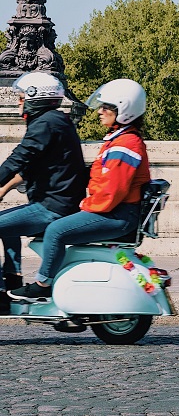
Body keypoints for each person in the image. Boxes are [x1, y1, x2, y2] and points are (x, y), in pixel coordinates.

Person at [8, 79, 152, 302]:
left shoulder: (125, 145)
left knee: (55, 230)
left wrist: (83, 208)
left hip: (117, 215)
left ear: (124, 110)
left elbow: (111, 193)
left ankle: (43, 284)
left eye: (107, 107)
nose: (100, 111)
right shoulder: (119, 140)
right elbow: (97, 177)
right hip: (116, 212)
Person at [0, 72, 87, 309]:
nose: (18, 103)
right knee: (6, 225)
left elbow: (18, 158)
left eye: (20, 98)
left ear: (34, 98)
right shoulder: (54, 120)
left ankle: (3, 290)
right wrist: (4, 188)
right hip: (55, 202)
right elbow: (32, 166)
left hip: (52, 208)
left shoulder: (45, 124)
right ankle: (12, 277)